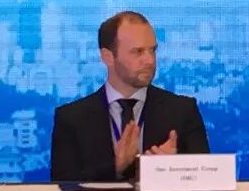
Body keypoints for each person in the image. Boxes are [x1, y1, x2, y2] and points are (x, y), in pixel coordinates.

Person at [50, 10, 209, 181]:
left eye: (152, 50)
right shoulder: (72, 119)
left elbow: (206, 181)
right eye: (138, 51)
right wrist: (116, 166)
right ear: (108, 57)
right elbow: (64, 186)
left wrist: (172, 170)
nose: (150, 60)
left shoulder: (182, 111)